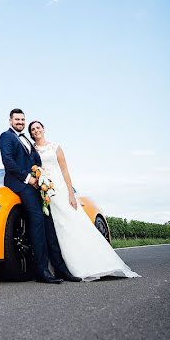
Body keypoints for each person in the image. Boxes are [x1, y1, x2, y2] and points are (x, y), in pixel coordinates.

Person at [28, 120, 139, 281]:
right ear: (31, 133)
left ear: (43, 129)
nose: (36, 130)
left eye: (38, 127)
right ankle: (61, 266)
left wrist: (71, 194)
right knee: (56, 230)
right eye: (33, 129)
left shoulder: (55, 147)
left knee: (72, 223)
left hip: (59, 189)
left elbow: (65, 170)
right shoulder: (32, 150)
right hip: (45, 192)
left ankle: (95, 263)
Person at [0, 108, 80, 284]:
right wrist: (29, 178)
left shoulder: (27, 140)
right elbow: (8, 161)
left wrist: (39, 176)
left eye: (22, 119)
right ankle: (42, 271)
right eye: (17, 119)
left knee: (48, 225)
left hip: (37, 186)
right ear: (10, 121)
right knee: (37, 223)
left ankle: (60, 268)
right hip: (21, 185)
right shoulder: (6, 137)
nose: (20, 122)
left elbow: (35, 160)